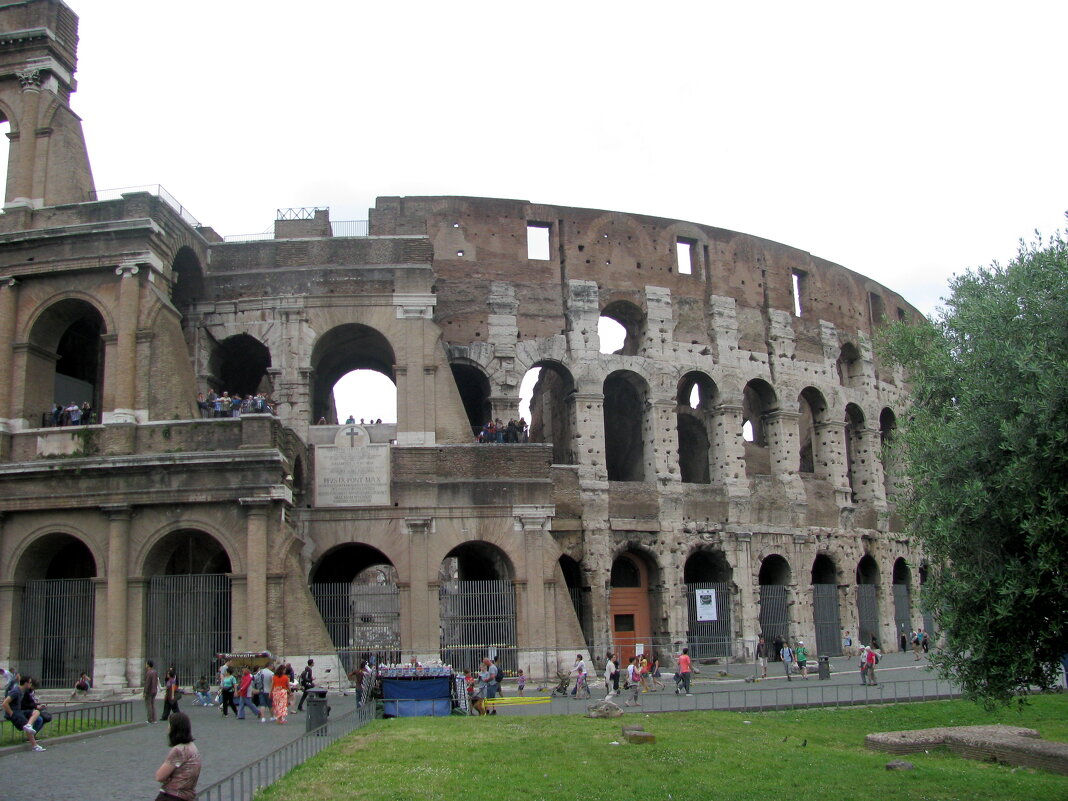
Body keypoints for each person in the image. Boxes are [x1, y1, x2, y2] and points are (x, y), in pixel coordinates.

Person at [155, 711, 201, 801]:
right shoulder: (193, 747)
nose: (168, 728)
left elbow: (159, 776)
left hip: (172, 796)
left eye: (169, 725)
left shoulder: (179, 750)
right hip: (188, 795)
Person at [3, 674, 44, 751]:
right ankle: (34, 746)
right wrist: (11, 713)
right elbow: (5, 703)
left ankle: (29, 725)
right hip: (14, 712)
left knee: (36, 712)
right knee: (26, 727)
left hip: (19, 711)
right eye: (30, 682)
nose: (31, 684)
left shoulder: (23, 690)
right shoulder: (16, 691)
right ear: (26, 683)